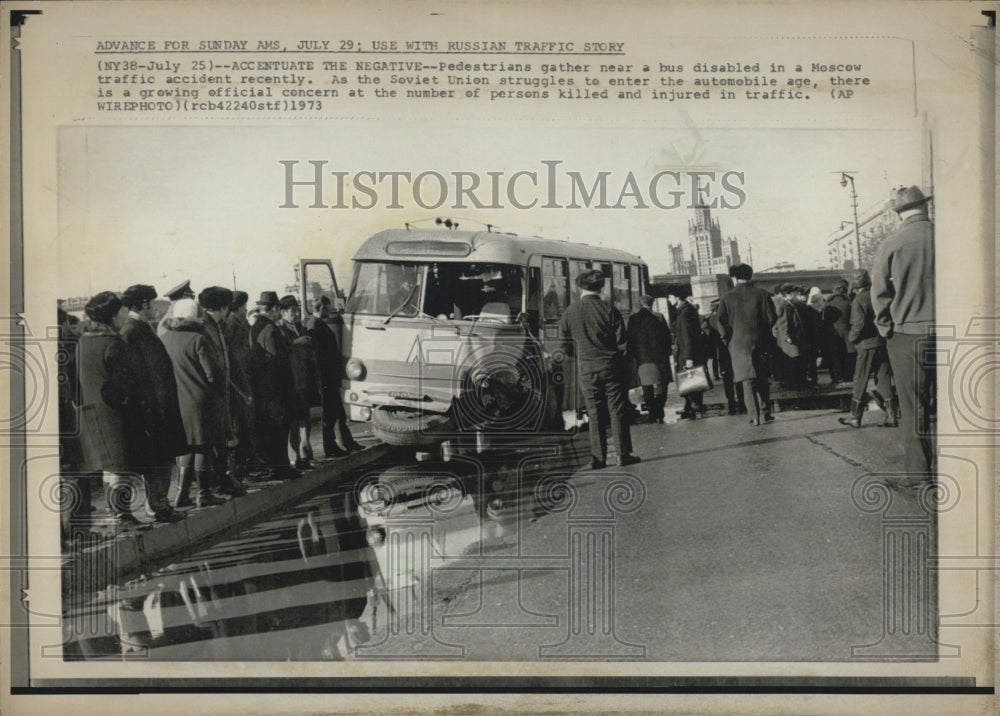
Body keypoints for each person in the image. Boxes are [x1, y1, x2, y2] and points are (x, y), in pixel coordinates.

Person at [871, 185, 936, 487]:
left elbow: (880, 292)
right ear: (925, 207)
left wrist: (886, 328)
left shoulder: (893, 243)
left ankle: (920, 475)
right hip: (951, 330)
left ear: (900, 214)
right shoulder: (948, 236)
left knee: (914, 406)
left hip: (908, 333)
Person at [118, 284, 187, 523]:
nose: (156, 308)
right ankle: (156, 505)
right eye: (152, 303)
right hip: (151, 408)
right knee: (157, 459)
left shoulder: (140, 328)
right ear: (144, 304)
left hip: (160, 406)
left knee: (164, 456)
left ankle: (160, 503)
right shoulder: (131, 331)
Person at [558, 269, 639, 469]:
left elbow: (564, 345)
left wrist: (581, 357)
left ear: (578, 288)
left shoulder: (569, 312)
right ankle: (623, 454)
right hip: (611, 367)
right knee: (617, 409)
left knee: (594, 411)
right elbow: (623, 343)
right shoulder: (609, 309)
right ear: (601, 287)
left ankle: (598, 458)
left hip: (586, 368)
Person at [77, 291, 139, 528]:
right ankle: (122, 515)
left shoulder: (83, 341)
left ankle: (117, 513)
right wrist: (125, 401)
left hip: (91, 412)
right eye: (120, 311)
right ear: (113, 315)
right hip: (112, 414)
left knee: (108, 466)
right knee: (118, 466)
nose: (124, 314)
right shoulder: (113, 343)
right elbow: (122, 383)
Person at [160, 298, 230, 508]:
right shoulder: (198, 339)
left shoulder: (164, 338)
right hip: (201, 400)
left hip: (178, 400)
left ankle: (181, 494)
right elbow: (212, 374)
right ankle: (204, 493)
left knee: (186, 447)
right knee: (203, 447)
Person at [716, 263, 778, 425]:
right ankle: (766, 411)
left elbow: (721, 322)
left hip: (738, 345)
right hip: (760, 341)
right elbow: (772, 318)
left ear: (734, 278)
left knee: (747, 380)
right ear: (751, 276)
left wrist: (728, 339)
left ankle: (754, 416)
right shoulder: (762, 294)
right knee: (762, 377)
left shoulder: (727, 297)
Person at [199, 286, 246, 496]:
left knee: (224, 438)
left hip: (222, 391)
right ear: (224, 307)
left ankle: (224, 480)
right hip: (212, 393)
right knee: (216, 440)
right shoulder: (205, 328)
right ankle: (217, 484)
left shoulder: (216, 326)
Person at [306, 296, 364, 458]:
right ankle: (330, 448)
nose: (330, 310)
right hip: (325, 379)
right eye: (328, 307)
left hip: (329, 377)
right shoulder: (315, 326)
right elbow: (319, 357)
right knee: (330, 415)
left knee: (338, 413)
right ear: (322, 308)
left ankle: (346, 442)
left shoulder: (317, 325)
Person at [840, 270, 897, 428]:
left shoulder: (859, 300)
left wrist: (851, 338)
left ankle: (855, 417)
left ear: (855, 284)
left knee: (860, 379)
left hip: (866, 345)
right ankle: (892, 416)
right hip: (881, 342)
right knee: (884, 378)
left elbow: (858, 325)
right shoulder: (876, 295)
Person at [251, 291, 298, 480]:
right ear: (276, 309)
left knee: (271, 430)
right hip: (275, 391)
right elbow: (276, 362)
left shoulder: (255, 326)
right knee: (279, 430)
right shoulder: (270, 330)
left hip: (264, 390)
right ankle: (281, 467)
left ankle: (278, 466)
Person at [277, 295, 320, 470]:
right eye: (292, 311)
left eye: (297, 310)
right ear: (283, 313)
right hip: (291, 381)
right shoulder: (280, 329)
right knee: (293, 421)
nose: (296, 314)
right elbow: (281, 349)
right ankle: (295, 457)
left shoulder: (300, 327)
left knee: (305, 418)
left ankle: (305, 451)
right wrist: (297, 343)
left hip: (304, 380)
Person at [223, 290, 256, 480]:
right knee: (240, 427)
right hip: (238, 385)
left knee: (245, 426)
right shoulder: (233, 325)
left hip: (242, 380)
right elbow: (235, 356)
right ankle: (240, 470)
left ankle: (245, 467)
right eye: (244, 306)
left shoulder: (236, 323)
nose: (246, 309)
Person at [626, 294, 672, 423]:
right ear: (652, 303)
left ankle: (652, 412)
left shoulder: (634, 319)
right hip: (660, 357)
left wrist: (633, 356)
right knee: (662, 384)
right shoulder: (659, 317)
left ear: (641, 303)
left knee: (647, 386)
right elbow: (667, 337)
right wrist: (667, 352)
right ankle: (659, 409)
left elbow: (630, 339)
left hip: (643, 358)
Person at [667, 291, 707, 419]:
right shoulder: (686, 310)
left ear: (677, 297)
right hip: (688, 352)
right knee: (691, 379)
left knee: (690, 379)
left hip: (686, 353)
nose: (669, 299)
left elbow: (687, 336)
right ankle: (690, 406)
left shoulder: (684, 313)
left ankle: (694, 406)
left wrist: (688, 357)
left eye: (670, 296)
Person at [707, 294, 746, 415]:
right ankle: (741, 399)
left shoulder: (710, 320)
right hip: (734, 350)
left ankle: (730, 399)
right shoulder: (731, 317)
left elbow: (710, 338)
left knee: (727, 378)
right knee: (738, 376)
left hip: (722, 352)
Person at [772, 283, 805, 388]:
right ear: (787, 294)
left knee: (794, 359)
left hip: (793, 336)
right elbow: (783, 322)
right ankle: (792, 383)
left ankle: (794, 382)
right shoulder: (784, 305)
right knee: (793, 359)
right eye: (793, 292)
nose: (795, 294)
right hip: (789, 338)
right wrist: (788, 337)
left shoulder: (789, 304)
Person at [823, 280, 855, 384]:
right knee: (848, 355)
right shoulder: (848, 303)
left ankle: (836, 377)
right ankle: (848, 376)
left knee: (835, 356)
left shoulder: (828, 304)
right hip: (847, 334)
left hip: (832, 334)